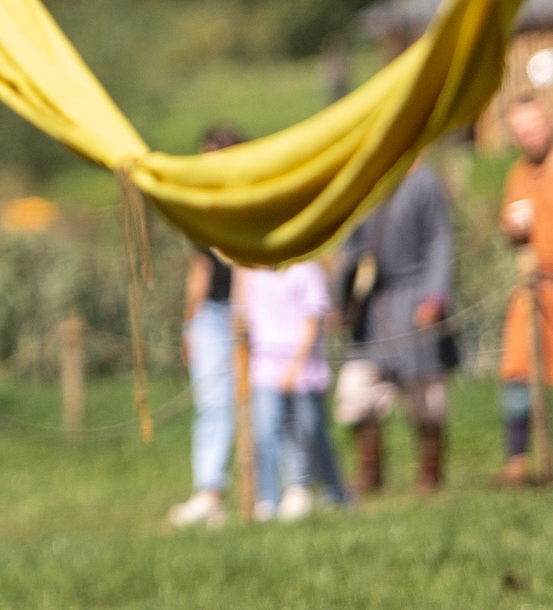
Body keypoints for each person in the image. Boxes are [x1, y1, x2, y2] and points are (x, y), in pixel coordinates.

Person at [331, 155, 459, 494]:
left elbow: (439, 240)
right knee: (357, 388)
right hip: (374, 305)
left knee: (425, 393)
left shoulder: (424, 182)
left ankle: (429, 475)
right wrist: (338, 299)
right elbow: (350, 245)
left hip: (416, 297)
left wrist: (434, 296)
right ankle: (370, 473)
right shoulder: (367, 184)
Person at [496, 95, 553, 483]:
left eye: (532, 128)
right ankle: (517, 461)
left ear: (548, 122)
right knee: (517, 372)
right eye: (520, 132)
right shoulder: (519, 173)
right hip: (534, 288)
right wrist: (512, 229)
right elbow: (510, 226)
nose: (527, 137)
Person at [168, 124, 244, 528]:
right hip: (213, 314)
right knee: (213, 403)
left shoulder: (254, 202)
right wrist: (190, 322)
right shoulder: (203, 210)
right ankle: (210, 491)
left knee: (267, 405)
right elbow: (200, 267)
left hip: (252, 313)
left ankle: (278, 490)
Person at [238, 258, 347, 518]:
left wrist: (295, 367)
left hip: (304, 370)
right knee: (267, 431)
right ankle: (269, 498)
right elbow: (244, 319)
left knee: (309, 430)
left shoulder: (306, 270)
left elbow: (312, 322)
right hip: (264, 368)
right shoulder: (253, 274)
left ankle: (320, 489)